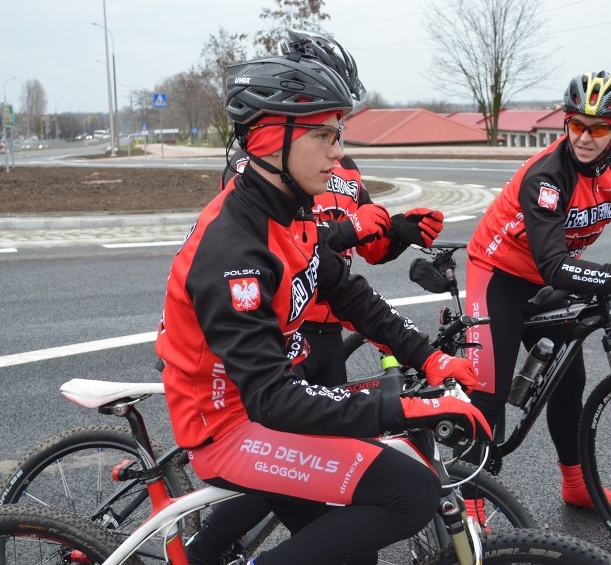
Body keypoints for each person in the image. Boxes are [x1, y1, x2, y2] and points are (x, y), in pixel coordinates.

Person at [156, 51, 491, 565]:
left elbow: (347, 292)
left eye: (340, 134)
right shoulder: (235, 249)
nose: (338, 153)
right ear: (272, 138)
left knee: (355, 552)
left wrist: (429, 358)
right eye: (324, 135)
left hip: (265, 410)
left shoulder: (290, 210)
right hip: (230, 427)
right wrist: (409, 407)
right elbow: (273, 400)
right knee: (411, 493)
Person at [463, 70, 611, 514]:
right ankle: (471, 508)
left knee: (568, 382)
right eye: (577, 126)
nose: (586, 138)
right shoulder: (547, 175)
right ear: (566, 124)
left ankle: (577, 485)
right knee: (489, 392)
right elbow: (554, 265)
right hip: (499, 273)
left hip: (552, 277)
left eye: (599, 128)